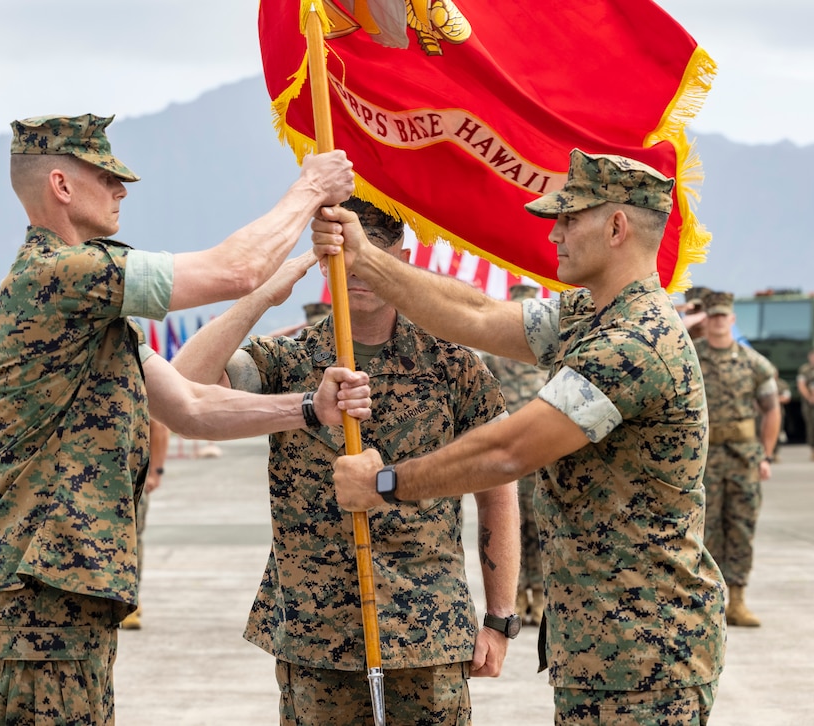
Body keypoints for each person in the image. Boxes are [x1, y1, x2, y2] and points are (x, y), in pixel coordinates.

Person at [0, 113, 369, 726]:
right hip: (38, 584)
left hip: (63, 585)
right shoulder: (61, 274)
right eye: (106, 177)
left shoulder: (88, 312)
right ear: (62, 186)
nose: (122, 189)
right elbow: (234, 269)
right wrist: (309, 188)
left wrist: (309, 409)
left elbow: (191, 406)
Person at [313, 149, 726, 724]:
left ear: (616, 227)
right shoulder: (591, 314)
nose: (553, 233)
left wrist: (384, 482)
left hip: (644, 656)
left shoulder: (635, 343)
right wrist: (368, 260)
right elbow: (478, 315)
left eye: (569, 219)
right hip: (603, 648)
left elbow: (509, 450)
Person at [172, 196, 518, 725]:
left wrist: (498, 619)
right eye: (344, 250)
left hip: (425, 633)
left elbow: (497, 485)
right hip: (316, 636)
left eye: (373, 248)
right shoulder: (290, 360)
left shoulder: (451, 365)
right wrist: (263, 294)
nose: (357, 265)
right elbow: (186, 384)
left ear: (399, 259)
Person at [693, 291, 780, 627]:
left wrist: (766, 455)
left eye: (722, 316)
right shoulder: (692, 358)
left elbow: (771, 411)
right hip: (704, 457)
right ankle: (707, 602)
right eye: (711, 316)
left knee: (741, 527)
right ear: (707, 320)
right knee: (704, 529)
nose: (716, 322)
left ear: (732, 319)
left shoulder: (753, 363)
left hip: (743, 458)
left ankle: (738, 600)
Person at [478, 283, 549, 627]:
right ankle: (518, 593)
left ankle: (541, 592)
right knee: (511, 525)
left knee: (540, 524)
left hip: (542, 449)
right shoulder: (496, 355)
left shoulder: (549, 353)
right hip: (509, 449)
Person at [119, 417, 170, 631]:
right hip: (109, 477)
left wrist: (156, 472)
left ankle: (130, 600)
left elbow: (159, 426)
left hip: (130, 477)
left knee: (131, 538)